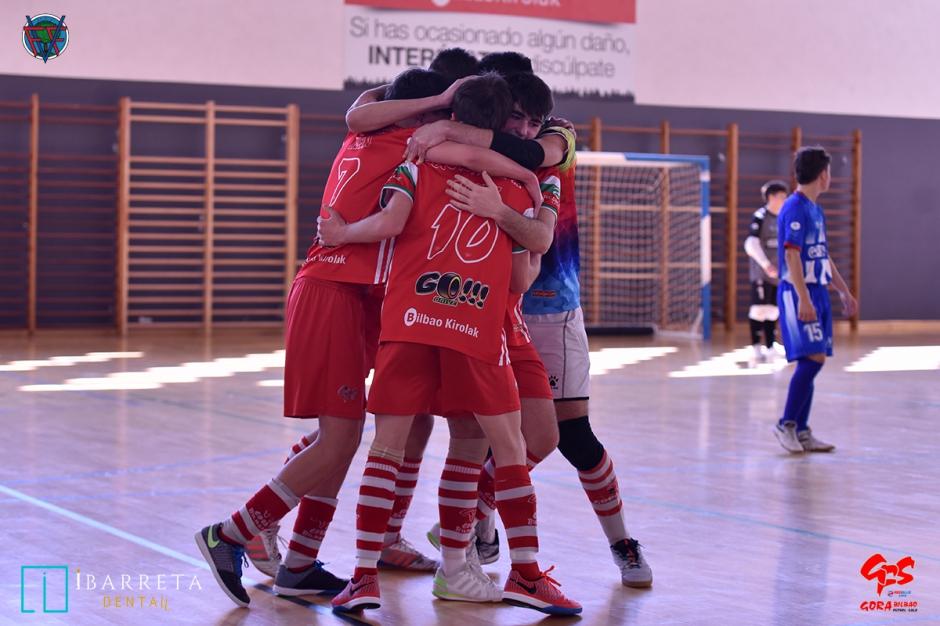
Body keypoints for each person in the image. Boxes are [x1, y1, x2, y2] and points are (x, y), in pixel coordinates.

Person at [194, 67, 540, 609]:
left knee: (354, 432)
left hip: (355, 295)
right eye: (440, 114)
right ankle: (236, 531)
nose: (445, 123)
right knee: (340, 438)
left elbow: (359, 110)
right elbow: (490, 154)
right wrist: (529, 179)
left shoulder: (368, 131)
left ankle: (300, 562)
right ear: (425, 112)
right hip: (336, 291)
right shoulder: (415, 143)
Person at [320, 73, 581, 616]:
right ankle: (526, 575)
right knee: (508, 448)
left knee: (386, 448)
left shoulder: (413, 162)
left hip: (409, 319)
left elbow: (388, 221)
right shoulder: (517, 184)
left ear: (454, 117)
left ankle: (363, 576)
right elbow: (521, 279)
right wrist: (524, 190)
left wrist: (342, 234)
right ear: (500, 124)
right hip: (475, 325)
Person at [413, 64, 654, 589]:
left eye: (532, 119)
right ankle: (465, 536)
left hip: (550, 308)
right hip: (488, 310)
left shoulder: (554, 138)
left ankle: (620, 543)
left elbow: (531, 162)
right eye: (515, 117)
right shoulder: (474, 149)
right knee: (482, 435)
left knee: (570, 436)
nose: (525, 128)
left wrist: (448, 129)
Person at [773, 147, 858, 454]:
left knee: (813, 360)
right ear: (824, 175)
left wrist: (842, 290)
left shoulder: (815, 210)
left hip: (818, 291)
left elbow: (821, 255)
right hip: (799, 292)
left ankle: (802, 430)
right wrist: (803, 298)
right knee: (813, 359)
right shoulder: (795, 207)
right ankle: (786, 424)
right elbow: (791, 256)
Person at [744, 180, 789, 364]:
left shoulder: (784, 218)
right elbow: (751, 243)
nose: (784, 200)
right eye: (781, 196)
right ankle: (755, 346)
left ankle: (771, 346)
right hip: (762, 273)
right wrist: (765, 264)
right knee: (759, 308)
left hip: (779, 274)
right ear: (771, 197)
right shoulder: (760, 217)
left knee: (773, 309)